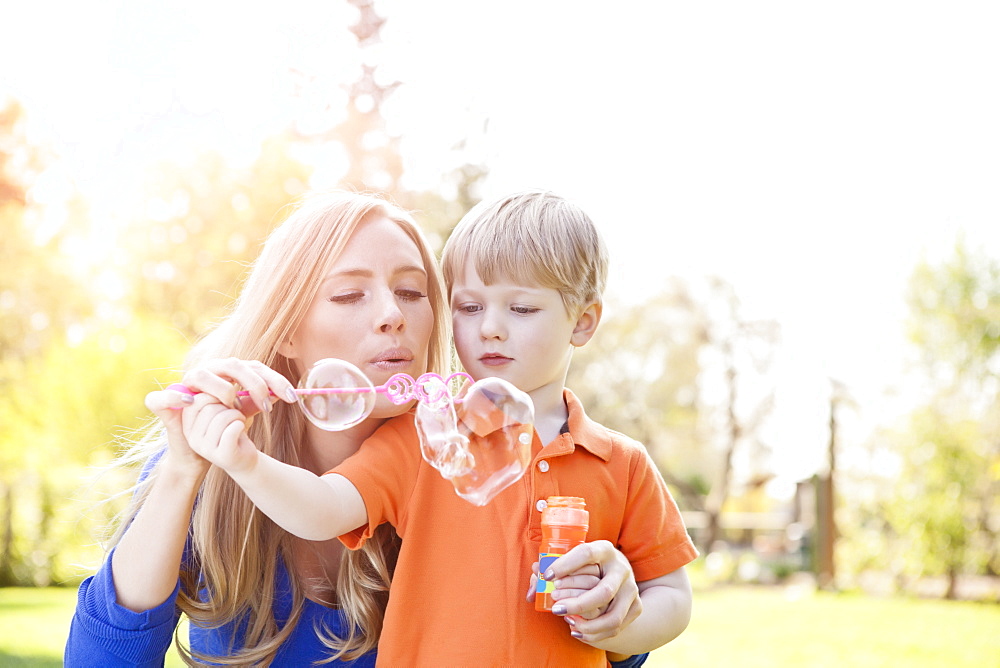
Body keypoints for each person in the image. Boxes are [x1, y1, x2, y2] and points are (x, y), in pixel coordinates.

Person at [65, 190, 648, 667]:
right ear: (287, 332)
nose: (393, 314)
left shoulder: (466, 463)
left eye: (412, 291)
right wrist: (181, 472)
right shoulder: (222, 470)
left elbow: (565, 640)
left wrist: (614, 599)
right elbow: (103, 661)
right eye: (349, 294)